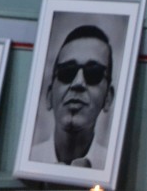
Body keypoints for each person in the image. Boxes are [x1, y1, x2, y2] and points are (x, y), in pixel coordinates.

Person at [29, 25, 115, 168]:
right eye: (67, 71)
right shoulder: (30, 160)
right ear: (49, 95)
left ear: (108, 98)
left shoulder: (112, 166)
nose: (78, 83)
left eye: (93, 73)